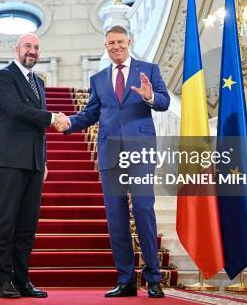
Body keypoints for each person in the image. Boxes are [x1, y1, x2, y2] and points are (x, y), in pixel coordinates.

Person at [56, 25, 170, 298]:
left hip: (140, 151)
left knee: (143, 210)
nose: (116, 46)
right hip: (110, 153)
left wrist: (150, 96)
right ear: (106, 46)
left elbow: (164, 102)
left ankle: (153, 278)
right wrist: (70, 122)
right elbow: (91, 113)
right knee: (116, 218)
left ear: (128, 42)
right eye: (111, 43)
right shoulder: (99, 79)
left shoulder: (149, 69)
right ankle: (126, 280)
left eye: (120, 41)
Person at [0, 33, 67, 299]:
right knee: (7, 221)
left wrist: (43, 160)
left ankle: (22, 280)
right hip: (9, 160)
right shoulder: (4, 76)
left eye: (36, 47)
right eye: (27, 47)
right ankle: (4, 280)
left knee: (27, 224)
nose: (32, 51)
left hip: (33, 162)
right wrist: (51, 117)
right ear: (17, 49)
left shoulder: (39, 82)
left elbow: (39, 130)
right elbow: (15, 110)